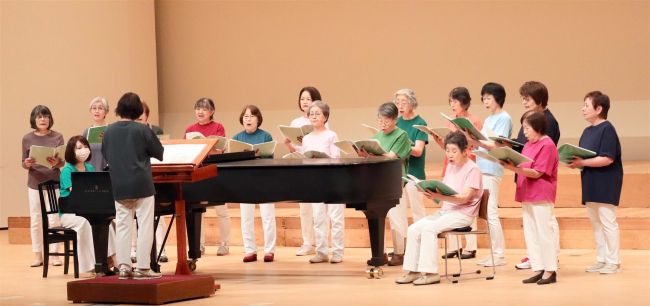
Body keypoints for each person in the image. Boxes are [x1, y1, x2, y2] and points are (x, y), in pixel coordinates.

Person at [396, 131, 483, 286]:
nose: (450, 155)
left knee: (429, 229)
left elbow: (465, 198)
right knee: (414, 228)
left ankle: (430, 273)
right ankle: (413, 270)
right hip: (446, 211)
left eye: (454, 151)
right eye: (447, 150)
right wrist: (430, 191)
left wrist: (440, 197)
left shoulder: (473, 169)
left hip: (463, 214)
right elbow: (445, 191)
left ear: (465, 151)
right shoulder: (450, 167)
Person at [102, 92, 164, 280]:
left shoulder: (109, 131)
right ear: (138, 110)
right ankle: (143, 268)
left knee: (122, 226)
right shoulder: (142, 129)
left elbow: (106, 155)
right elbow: (159, 152)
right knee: (144, 226)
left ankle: (124, 267)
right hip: (142, 184)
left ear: (119, 109)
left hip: (119, 184)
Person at [501, 111, 559, 285]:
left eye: (527, 128)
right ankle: (538, 267)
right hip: (527, 193)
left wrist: (513, 169)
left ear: (538, 127)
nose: (524, 132)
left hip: (540, 194)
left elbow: (537, 172)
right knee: (531, 233)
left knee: (544, 233)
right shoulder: (528, 145)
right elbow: (523, 166)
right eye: (523, 127)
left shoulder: (547, 145)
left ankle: (550, 270)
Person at [568, 91, 623, 274]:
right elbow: (586, 156)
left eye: (586, 105)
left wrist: (582, 162)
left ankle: (613, 261)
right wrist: (575, 162)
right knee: (596, 223)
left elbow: (608, 158)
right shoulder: (587, 131)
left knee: (608, 221)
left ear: (599, 109)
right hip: (590, 181)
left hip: (606, 181)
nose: (583, 109)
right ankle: (601, 259)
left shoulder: (607, 128)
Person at [461, 82, 512, 266]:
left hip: (492, 169)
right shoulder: (489, 119)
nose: (485, 101)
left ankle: (498, 255)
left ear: (498, 98)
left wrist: (477, 141)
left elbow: (497, 145)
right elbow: (481, 142)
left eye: (488, 98)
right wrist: (469, 138)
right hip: (482, 167)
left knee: (491, 213)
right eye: (483, 98)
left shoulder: (504, 118)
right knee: (486, 214)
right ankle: (494, 253)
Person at [512, 81, 561, 270]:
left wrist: (515, 166)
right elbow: (523, 147)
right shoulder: (530, 125)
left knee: (545, 226)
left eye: (527, 99)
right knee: (532, 229)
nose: (524, 102)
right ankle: (538, 262)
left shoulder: (547, 127)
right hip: (527, 184)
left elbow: (542, 164)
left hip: (540, 186)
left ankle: (550, 262)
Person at [432, 87, 482, 260]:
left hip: (467, 166)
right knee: (449, 203)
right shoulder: (450, 121)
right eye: (450, 101)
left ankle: (471, 247)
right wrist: (439, 140)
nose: (452, 104)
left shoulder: (474, 121)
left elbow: (477, 145)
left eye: (455, 101)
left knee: (466, 203)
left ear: (464, 102)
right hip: (451, 166)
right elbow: (448, 148)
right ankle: (454, 246)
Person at [359, 102, 411, 265]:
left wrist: (373, 156)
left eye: (386, 121)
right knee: (381, 217)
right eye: (380, 120)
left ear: (395, 119)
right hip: (379, 181)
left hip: (394, 180)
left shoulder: (401, 135)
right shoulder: (377, 137)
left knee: (397, 217)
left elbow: (391, 157)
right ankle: (379, 252)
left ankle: (400, 252)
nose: (382, 124)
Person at [58, 135, 116, 276]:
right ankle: (91, 266)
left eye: (85, 147)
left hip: (89, 210)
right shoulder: (67, 170)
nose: (83, 150)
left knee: (108, 221)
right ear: (71, 151)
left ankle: (111, 259)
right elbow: (78, 194)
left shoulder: (89, 167)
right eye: (79, 148)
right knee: (85, 223)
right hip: (70, 214)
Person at [184, 97, 230, 256]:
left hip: (214, 170)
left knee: (221, 210)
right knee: (196, 210)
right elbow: (186, 150)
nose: (200, 111)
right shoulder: (190, 129)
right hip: (197, 170)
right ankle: (199, 244)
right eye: (197, 108)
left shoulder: (218, 127)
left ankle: (224, 244)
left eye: (204, 109)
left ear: (212, 112)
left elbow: (220, 149)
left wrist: (207, 148)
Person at [300, 101, 345, 264]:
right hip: (316, 180)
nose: (313, 116)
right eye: (311, 113)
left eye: (317, 113)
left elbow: (336, 157)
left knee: (335, 217)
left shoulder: (331, 135)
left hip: (332, 179)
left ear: (325, 117)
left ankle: (338, 251)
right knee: (318, 217)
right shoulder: (306, 138)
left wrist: (323, 157)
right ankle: (321, 251)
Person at [232, 105, 277, 263]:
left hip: (264, 179)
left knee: (268, 216)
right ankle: (250, 250)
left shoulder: (266, 136)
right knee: (246, 217)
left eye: (251, 116)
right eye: (245, 116)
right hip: (245, 180)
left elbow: (271, 158)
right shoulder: (237, 137)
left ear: (258, 119)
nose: (248, 119)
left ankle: (269, 250)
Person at [22, 105, 64, 268]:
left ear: (50, 119)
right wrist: (26, 163)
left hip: (53, 182)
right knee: (36, 218)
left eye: (45, 116)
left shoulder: (58, 136)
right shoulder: (27, 138)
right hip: (34, 183)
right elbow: (23, 162)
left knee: (54, 218)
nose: (43, 119)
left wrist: (57, 162)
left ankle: (55, 255)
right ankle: (37, 254)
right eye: (39, 117)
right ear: (34, 119)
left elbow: (63, 161)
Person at [285, 87, 325, 256]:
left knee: (319, 209)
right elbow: (296, 147)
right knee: (304, 208)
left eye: (308, 99)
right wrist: (288, 144)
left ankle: (320, 243)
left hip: (317, 168)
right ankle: (307, 242)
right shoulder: (295, 122)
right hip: (301, 166)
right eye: (302, 99)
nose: (305, 102)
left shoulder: (322, 119)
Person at [131, 101, 167, 263]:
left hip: (156, 176)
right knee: (132, 219)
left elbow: (161, 152)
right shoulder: (130, 132)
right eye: (136, 118)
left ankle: (161, 248)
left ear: (147, 117)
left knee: (158, 215)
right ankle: (134, 250)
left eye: (141, 117)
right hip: (136, 178)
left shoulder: (155, 131)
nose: (138, 120)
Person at [395, 88, 428, 223]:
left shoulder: (421, 123)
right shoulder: (396, 122)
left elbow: (418, 150)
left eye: (404, 102)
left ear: (412, 103)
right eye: (397, 102)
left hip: (415, 174)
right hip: (399, 172)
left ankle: (421, 241)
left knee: (417, 210)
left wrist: (403, 146)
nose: (400, 106)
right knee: (398, 210)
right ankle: (402, 243)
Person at [82, 97, 109, 171]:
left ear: (106, 112)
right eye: (94, 108)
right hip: (89, 174)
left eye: (100, 108)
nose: (97, 111)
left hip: (107, 173)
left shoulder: (111, 130)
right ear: (90, 111)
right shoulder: (86, 131)